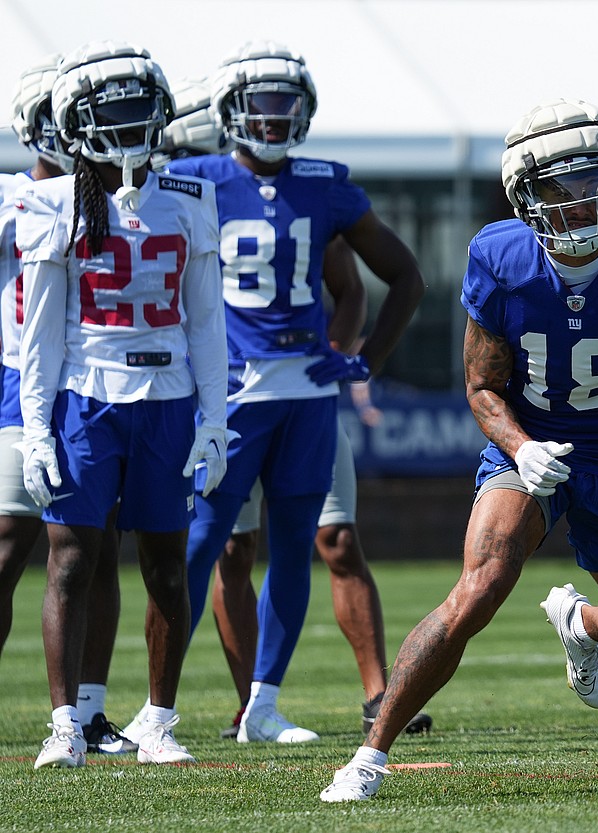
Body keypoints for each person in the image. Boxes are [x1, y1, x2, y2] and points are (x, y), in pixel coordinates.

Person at [319, 98, 598, 802]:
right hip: (529, 452)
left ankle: (579, 620)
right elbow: (482, 386)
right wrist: (521, 450)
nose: (580, 202)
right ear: (526, 196)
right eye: (560, 187)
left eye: (591, 182)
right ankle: (369, 756)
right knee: (479, 587)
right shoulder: (501, 261)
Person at [154, 41, 423, 744]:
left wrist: (361, 359)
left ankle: (265, 705)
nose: (273, 120)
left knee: (300, 542)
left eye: (286, 106)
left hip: (306, 390)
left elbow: (403, 275)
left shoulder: (324, 183)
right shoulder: (193, 177)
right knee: (201, 543)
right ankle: (157, 712)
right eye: (260, 105)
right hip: (232, 393)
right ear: (229, 110)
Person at [16, 41, 228, 767]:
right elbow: (40, 333)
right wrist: (38, 430)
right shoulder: (50, 202)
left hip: (167, 399)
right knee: (71, 561)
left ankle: (159, 721)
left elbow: (206, 321)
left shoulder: (191, 201)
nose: (134, 123)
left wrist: (216, 419)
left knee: (167, 562)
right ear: (77, 123)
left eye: (142, 107)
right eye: (117, 112)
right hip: (87, 397)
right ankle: (66, 723)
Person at [0, 53, 134, 757]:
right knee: (7, 546)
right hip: (17, 384)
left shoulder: (116, 194)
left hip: (89, 386)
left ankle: (89, 711)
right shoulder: (13, 196)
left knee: (97, 549)